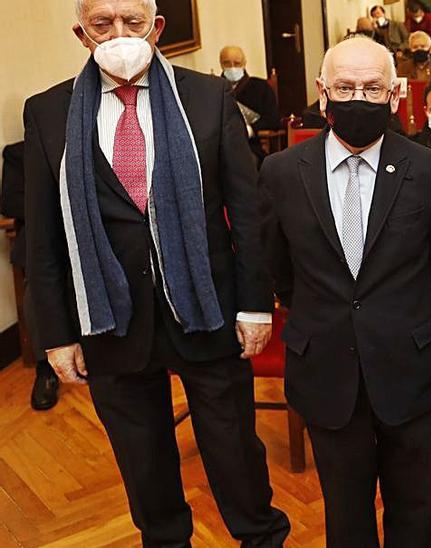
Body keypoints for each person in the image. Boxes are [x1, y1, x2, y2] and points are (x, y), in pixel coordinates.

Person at [24, 1, 291, 544]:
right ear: (82, 33)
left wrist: (256, 304)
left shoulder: (209, 96)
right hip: (111, 322)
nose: (119, 34)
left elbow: (249, 211)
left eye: (133, 22)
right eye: (103, 23)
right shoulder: (48, 112)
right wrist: (55, 334)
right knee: (143, 467)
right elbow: (43, 233)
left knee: (235, 453)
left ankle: (260, 536)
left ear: (157, 28)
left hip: (208, 309)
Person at [258, 37, 431, 546]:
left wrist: (396, 315)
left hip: (410, 366)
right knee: (345, 517)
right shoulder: (281, 173)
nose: (358, 99)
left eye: (372, 88)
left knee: (415, 512)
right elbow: (279, 269)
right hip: (325, 369)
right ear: (322, 94)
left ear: (394, 95)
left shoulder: (430, 170)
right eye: (345, 87)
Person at [0, 142, 61, 411]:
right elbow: (11, 203)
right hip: (44, 238)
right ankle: (45, 369)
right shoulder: (17, 154)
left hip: (92, 234)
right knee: (36, 293)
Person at [219, 45, 281, 161]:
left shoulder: (260, 87)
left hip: (251, 145)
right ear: (221, 64)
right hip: (221, 146)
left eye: (237, 63)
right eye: (227, 63)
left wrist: (251, 129)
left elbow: (273, 119)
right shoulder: (214, 89)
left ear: (244, 63)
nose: (232, 68)